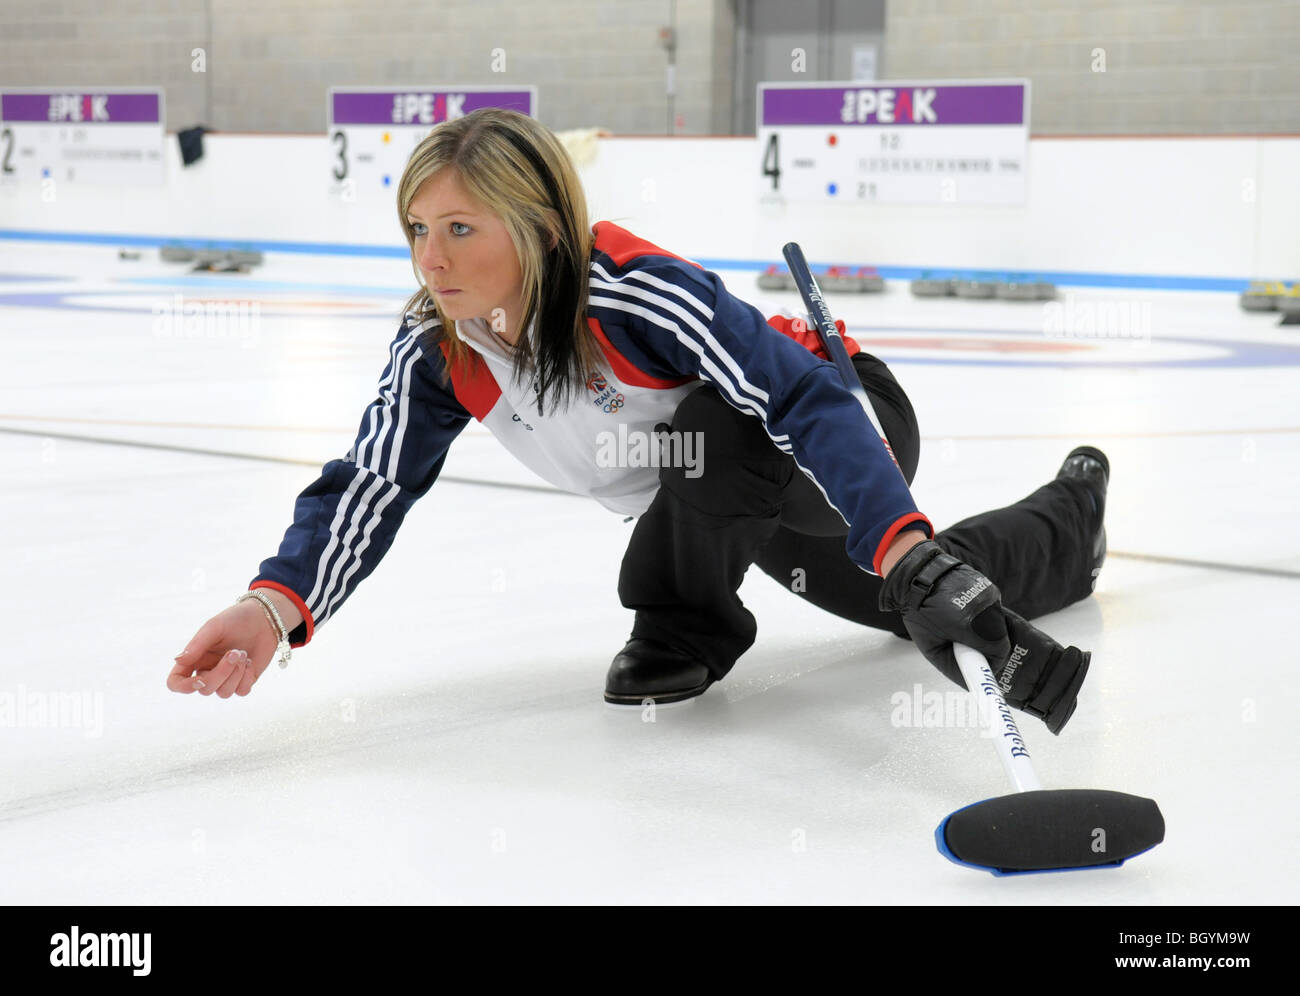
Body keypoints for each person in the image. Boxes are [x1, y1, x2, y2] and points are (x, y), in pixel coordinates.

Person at [167, 108, 1107, 734]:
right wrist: (273, 604)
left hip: (835, 420)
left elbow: (793, 399)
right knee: (902, 608)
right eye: (418, 229)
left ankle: (682, 626)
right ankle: (1074, 517)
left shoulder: (630, 292)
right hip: (718, 499)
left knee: (734, 446)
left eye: (460, 228)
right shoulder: (438, 350)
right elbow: (370, 482)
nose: (432, 258)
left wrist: (907, 550)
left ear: (535, 228)